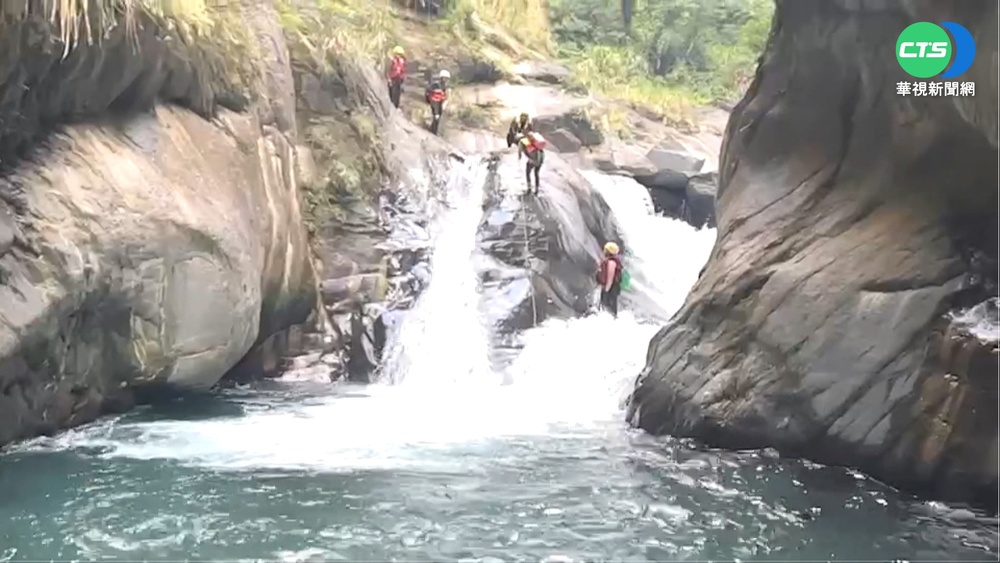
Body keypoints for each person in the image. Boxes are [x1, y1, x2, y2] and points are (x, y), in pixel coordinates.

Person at [595, 241, 624, 318]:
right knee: (606, 308)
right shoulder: (610, 261)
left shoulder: (611, 262)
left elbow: (610, 278)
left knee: (609, 308)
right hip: (611, 288)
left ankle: (612, 321)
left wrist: (606, 290)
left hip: (611, 288)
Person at [425, 69, 450, 135]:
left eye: (447, 79)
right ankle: (433, 131)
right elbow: (429, 92)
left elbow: (445, 95)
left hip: (440, 102)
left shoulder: (444, 86)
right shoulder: (435, 85)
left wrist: (445, 102)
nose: (446, 80)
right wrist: (428, 99)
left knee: (438, 118)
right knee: (436, 116)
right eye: (445, 78)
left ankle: (433, 130)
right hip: (434, 101)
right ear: (442, 78)